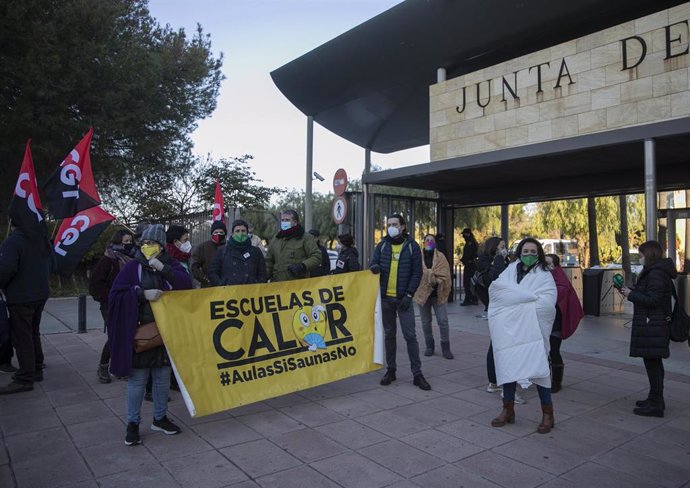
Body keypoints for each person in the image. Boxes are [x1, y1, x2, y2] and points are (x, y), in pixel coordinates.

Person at [107, 224, 192, 445]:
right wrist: (140, 293)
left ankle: (160, 418)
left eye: (152, 243)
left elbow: (186, 285)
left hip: (166, 331)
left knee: (162, 379)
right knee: (137, 381)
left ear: (161, 246)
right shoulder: (132, 266)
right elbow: (116, 293)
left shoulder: (170, 264)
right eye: (144, 243)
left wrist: (164, 269)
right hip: (141, 332)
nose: (147, 246)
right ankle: (133, 424)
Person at [488, 237, 557, 434]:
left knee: (539, 370)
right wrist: (524, 302)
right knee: (509, 366)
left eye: (533, 252)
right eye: (525, 252)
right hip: (510, 330)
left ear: (539, 254)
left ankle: (548, 414)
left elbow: (546, 305)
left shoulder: (544, 275)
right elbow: (497, 292)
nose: (528, 255)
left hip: (533, 331)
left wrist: (516, 304)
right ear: (519, 253)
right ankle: (507, 409)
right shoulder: (510, 270)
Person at [370, 214, 430, 390]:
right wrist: (374, 268)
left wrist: (409, 295)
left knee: (410, 336)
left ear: (403, 226)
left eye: (395, 224)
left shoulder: (412, 246)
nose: (391, 227)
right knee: (389, 335)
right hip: (386, 300)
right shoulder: (382, 246)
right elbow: (373, 263)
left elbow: (417, 273)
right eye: (389, 224)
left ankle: (417, 374)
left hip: (404, 300)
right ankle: (391, 370)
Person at [618, 240, 675, 417]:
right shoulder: (655, 271)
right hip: (653, 324)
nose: (640, 258)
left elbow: (653, 300)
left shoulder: (656, 273)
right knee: (653, 363)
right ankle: (654, 398)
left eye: (641, 255)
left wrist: (630, 294)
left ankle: (656, 403)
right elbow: (650, 294)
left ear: (649, 255)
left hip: (654, 325)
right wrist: (630, 291)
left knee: (653, 364)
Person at [0, 222, 53, 394]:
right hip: (40, 293)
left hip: (21, 296)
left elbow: (6, 268)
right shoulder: (40, 241)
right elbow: (53, 263)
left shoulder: (14, 242)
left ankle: (25, 378)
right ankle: (36, 368)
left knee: (22, 337)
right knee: (33, 332)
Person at [89, 229, 135, 383]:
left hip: (128, 302)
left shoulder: (132, 258)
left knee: (126, 335)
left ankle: (120, 368)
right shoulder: (108, 259)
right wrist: (112, 296)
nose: (129, 244)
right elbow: (96, 283)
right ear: (117, 242)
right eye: (126, 242)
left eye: (130, 241)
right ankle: (103, 366)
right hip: (111, 304)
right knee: (115, 335)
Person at [476, 237, 512, 395]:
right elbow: (495, 280)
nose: (504, 249)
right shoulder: (485, 261)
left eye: (505, 247)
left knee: (502, 344)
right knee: (496, 344)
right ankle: (495, 381)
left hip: (508, 306)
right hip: (497, 308)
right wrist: (499, 259)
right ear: (494, 248)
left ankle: (498, 380)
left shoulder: (503, 260)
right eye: (501, 247)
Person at [545, 254, 584, 393]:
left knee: (554, 351)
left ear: (555, 265)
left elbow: (557, 297)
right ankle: (545, 379)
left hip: (556, 323)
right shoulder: (542, 278)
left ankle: (556, 382)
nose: (547, 266)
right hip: (544, 322)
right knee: (543, 352)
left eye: (549, 264)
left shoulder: (560, 280)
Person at [413, 233, 453, 359]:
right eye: (427, 240)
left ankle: (446, 348)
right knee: (425, 322)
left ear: (435, 243)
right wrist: (429, 276)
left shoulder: (441, 257)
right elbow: (415, 273)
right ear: (423, 242)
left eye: (432, 240)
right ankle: (429, 346)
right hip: (423, 295)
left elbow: (445, 274)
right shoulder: (418, 257)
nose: (429, 242)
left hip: (437, 294)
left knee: (443, 321)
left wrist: (436, 279)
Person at [265, 209, 322, 282]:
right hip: (277, 286)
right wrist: (264, 277)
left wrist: (303, 266)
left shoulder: (305, 238)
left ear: (295, 222)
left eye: (287, 220)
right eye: (282, 220)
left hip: (298, 286)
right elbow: (268, 261)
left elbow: (317, 256)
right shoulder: (276, 239)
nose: (284, 222)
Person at [208, 219, 267, 285]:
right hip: (229, 292)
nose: (240, 233)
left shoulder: (256, 251)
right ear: (232, 233)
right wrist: (221, 284)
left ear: (247, 233)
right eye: (237, 231)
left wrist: (257, 286)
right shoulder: (222, 251)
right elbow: (213, 272)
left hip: (251, 292)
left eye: (243, 231)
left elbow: (262, 274)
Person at [191, 221, 227, 288]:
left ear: (225, 234)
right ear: (211, 234)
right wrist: (206, 279)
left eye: (221, 232)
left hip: (227, 287)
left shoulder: (228, 247)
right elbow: (194, 266)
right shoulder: (202, 247)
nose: (218, 234)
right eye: (216, 232)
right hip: (208, 288)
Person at [460, 228, 479, 306]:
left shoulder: (470, 243)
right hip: (472, 265)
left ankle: (469, 299)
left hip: (470, 265)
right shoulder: (472, 242)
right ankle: (473, 298)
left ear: (467, 234)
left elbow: (468, 254)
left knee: (467, 283)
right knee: (471, 282)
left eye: (464, 234)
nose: (463, 236)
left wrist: (464, 259)